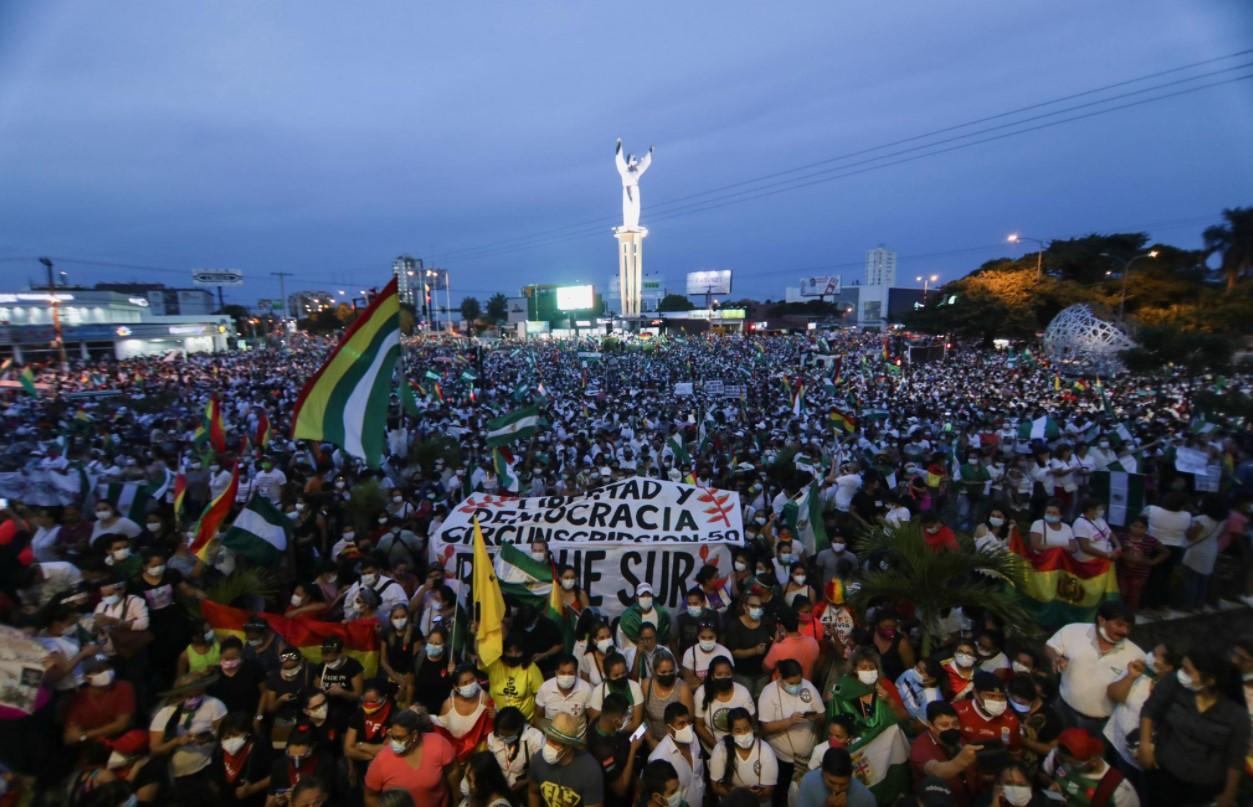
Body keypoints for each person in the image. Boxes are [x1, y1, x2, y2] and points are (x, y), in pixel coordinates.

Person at [1138, 648, 1249, 807]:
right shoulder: (1173, 684)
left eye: (1187, 671)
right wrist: (1145, 745)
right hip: (1165, 774)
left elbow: (1235, 758)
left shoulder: (1236, 715)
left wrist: (1229, 794)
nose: (1180, 674)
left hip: (1203, 787)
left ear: (1209, 681)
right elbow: (1150, 710)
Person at [1045, 602, 1144, 733]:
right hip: (1063, 709)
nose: (1124, 631)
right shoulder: (1073, 631)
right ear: (1102, 620)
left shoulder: (1136, 656)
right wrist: (1054, 657)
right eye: (1119, 625)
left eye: (1128, 627)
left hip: (1099, 725)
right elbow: (1051, 646)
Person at [1104, 643, 1177, 793]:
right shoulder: (1140, 673)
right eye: (1152, 651)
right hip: (1116, 742)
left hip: (1140, 756)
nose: (1149, 656)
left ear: (1169, 667)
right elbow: (1113, 695)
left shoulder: (1173, 690)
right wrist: (1130, 677)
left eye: (1156, 655)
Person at [147, 672, 228, 797]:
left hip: (207, 767)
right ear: (181, 694)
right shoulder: (166, 713)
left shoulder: (214, 704)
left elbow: (225, 734)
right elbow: (155, 749)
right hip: (178, 774)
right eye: (190, 695)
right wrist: (176, 742)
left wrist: (207, 738)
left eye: (199, 693)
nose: (196, 697)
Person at [756, 659, 822, 807]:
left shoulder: (808, 687)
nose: (796, 687)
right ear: (781, 678)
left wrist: (814, 716)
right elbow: (765, 727)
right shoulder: (769, 693)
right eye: (791, 684)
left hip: (808, 758)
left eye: (798, 682)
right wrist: (789, 721)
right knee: (782, 794)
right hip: (782, 759)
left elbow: (822, 715)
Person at [364, 709, 458, 807]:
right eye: (393, 737)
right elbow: (370, 796)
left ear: (414, 735)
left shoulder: (439, 744)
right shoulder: (381, 760)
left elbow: (452, 771)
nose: (394, 742)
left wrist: (456, 802)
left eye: (400, 738)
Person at [1042, 727, 1140, 807]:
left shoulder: (1119, 792)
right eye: (1063, 760)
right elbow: (1041, 775)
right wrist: (1050, 784)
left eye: (1072, 764)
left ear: (1093, 761)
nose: (1066, 766)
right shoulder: (1058, 756)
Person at [909, 702, 980, 805]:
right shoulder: (920, 747)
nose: (951, 729)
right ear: (930, 725)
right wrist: (960, 762)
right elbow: (936, 770)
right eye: (944, 725)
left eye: (955, 724)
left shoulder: (961, 738)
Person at [528, 712, 604, 807]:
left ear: (568, 747)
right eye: (548, 738)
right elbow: (533, 792)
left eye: (555, 742)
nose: (548, 744)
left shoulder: (590, 770)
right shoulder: (538, 760)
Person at [828, 649, 908, 737]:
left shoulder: (885, 685)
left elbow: (904, 716)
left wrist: (888, 699)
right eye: (863, 668)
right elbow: (831, 694)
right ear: (855, 669)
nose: (868, 671)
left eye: (872, 667)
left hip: (882, 735)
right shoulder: (844, 683)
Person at [586, 693, 646, 807]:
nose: (628, 719)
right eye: (626, 716)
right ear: (616, 721)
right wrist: (633, 749)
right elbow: (621, 788)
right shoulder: (604, 753)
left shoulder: (598, 721)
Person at [708, 707, 777, 805]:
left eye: (746, 729)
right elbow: (715, 787)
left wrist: (755, 793)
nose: (743, 733)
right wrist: (739, 793)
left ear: (752, 727)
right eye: (738, 730)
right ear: (731, 732)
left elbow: (769, 790)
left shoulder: (765, 751)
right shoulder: (721, 750)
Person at [63, 656, 137, 748]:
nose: (106, 672)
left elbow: (121, 724)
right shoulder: (79, 698)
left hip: (120, 740)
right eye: (99, 670)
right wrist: (81, 736)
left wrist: (85, 735)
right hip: (92, 748)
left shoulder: (123, 687)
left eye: (107, 667)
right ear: (87, 677)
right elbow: (70, 737)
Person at [648, 702, 705, 807]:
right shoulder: (659, 758)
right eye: (681, 724)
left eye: (688, 722)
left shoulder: (694, 738)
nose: (687, 728)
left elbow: (698, 775)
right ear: (669, 729)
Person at [693, 656, 755, 751]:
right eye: (719, 674)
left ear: (732, 675)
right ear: (712, 677)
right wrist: (717, 748)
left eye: (727, 674)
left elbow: (751, 723)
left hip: (741, 747)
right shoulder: (701, 693)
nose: (723, 677)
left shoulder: (743, 692)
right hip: (713, 748)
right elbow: (699, 725)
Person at [210, 712, 272, 807]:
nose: (230, 740)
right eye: (226, 737)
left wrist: (253, 788)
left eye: (235, 735)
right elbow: (215, 778)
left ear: (247, 733)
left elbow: (274, 776)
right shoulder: (219, 750)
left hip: (254, 801)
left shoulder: (259, 748)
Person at [483, 706, 544, 800]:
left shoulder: (535, 738)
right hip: (500, 783)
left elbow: (542, 769)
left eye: (508, 735)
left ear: (519, 728)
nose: (504, 738)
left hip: (526, 783)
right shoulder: (492, 737)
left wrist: (525, 781)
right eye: (501, 735)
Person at [436, 664, 494, 761]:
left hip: (478, 758)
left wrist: (494, 716)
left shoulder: (485, 699)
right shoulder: (448, 705)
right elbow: (442, 734)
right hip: (454, 757)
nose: (470, 685)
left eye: (472, 680)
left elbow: (490, 729)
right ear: (456, 687)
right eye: (465, 683)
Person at [723, 590, 775, 698]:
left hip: (763, 674)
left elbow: (774, 639)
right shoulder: (734, 626)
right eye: (753, 606)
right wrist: (754, 651)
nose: (757, 609)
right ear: (745, 606)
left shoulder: (766, 622)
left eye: (759, 606)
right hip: (742, 675)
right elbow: (733, 652)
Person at [266, 726, 338, 804]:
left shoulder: (326, 762)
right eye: (292, 756)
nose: (296, 761)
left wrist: (300, 796)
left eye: (301, 757)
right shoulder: (279, 765)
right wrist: (277, 800)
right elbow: (269, 802)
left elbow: (328, 796)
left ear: (312, 749)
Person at [344, 680, 395, 787]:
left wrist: (362, 745)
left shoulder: (394, 715)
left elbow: (388, 749)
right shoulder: (358, 714)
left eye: (373, 701)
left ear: (384, 698)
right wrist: (371, 757)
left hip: (386, 763)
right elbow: (348, 750)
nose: (369, 705)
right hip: (361, 761)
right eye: (366, 701)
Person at [953, 671, 1020, 751]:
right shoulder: (956, 711)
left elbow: (1014, 750)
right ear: (975, 693)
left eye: (1001, 697)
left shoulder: (1011, 721)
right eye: (991, 696)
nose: (997, 701)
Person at [485, 635, 544, 722]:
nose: (513, 655)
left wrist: (536, 721)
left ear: (524, 651)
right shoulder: (495, 665)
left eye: (517, 651)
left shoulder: (531, 668)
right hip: (497, 720)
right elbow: (480, 655)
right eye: (509, 651)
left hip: (523, 722)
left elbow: (540, 696)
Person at [639, 650, 693, 743]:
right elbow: (642, 718)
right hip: (653, 739)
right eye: (663, 672)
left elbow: (689, 720)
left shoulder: (682, 687)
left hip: (678, 740)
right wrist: (650, 741)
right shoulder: (646, 685)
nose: (667, 675)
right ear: (655, 672)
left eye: (671, 671)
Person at [793, 747, 875, 807]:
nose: (837, 789)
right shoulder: (808, 782)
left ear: (850, 777)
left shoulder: (865, 798)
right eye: (831, 782)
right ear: (822, 772)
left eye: (843, 784)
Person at [1116, 516, 1168, 610]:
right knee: (1122, 592)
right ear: (1129, 526)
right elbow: (1115, 549)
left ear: (1146, 529)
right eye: (1135, 526)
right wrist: (1124, 556)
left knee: (1134, 594)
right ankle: (1119, 612)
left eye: (1141, 527)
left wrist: (1152, 562)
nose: (1137, 529)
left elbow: (1165, 552)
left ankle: (1131, 615)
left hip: (1140, 573)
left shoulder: (1150, 540)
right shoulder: (1122, 537)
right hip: (1122, 571)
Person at [586, 653, 645, 733]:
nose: (620, 677)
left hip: (630, 733)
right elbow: (598, 724)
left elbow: (636, 723)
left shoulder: (635, 687)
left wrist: (620, 732)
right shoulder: (599, 692)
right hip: (607, 737)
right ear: (607, 676)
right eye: (616, 675)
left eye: (623, 673)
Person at [762, 608, 820, 682]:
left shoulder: (778, 648)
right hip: (805, 688)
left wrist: (775, 642)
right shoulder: (813, 643)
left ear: (781, 627)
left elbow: (766, 668)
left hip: (783, 689)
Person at [535, 653, 593, 724]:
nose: (566, 677)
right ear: (556, 673)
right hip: (552, 734)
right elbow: (538, 717)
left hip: (577, 734)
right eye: (562, 673)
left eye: (570, 673)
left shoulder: (586, 689)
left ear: (576, 673)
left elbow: (592, 718)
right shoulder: (545, 688)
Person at [679, 621, 729, 688]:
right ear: (698, 637)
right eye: (703, 637)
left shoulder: (725, 652)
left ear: (716, 637)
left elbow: (728, 678)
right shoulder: (689, 654)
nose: (707, 640)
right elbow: (689, 682)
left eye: (710, 637)